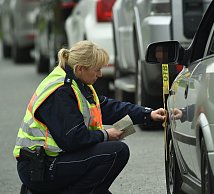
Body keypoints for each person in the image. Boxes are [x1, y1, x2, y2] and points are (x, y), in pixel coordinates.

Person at [14, 40, 166, 194]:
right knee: (116, 151)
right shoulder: (61, 92)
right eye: (97, 69)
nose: (100, 74)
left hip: (54, 160)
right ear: (80, 68)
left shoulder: (77, 84)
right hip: (40, 169)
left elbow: (109, 108)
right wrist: (106, 135)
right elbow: (73, 139)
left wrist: (148, 114)